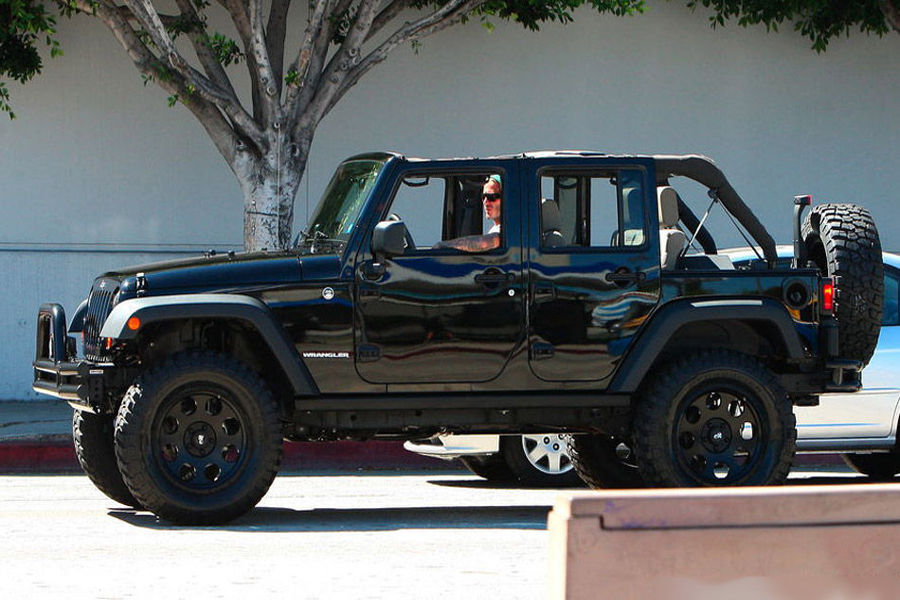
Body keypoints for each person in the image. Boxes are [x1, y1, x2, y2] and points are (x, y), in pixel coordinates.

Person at [434, 174, 502, 252]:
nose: (485, 202)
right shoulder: (496, 228)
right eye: (483, 197)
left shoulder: (509, 228)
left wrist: (442, 245)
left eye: (491, 197)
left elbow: (483, 244)